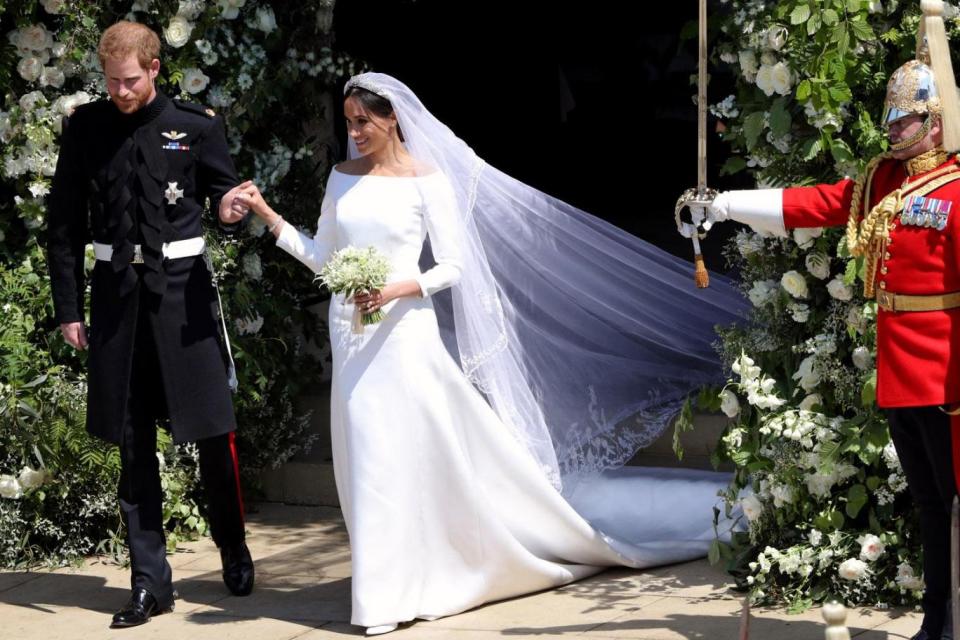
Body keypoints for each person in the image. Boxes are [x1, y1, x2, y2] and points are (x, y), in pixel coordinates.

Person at [235, 72, 746, 635]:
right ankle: (384, 587)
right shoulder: (341, 177)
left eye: (364, 122)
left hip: (404, 333)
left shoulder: (427, 180)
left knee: (400, 457)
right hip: (351, 335)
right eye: (349, 121)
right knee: (364, 460)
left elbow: (452, 265)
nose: (354, 132)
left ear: (393, 119)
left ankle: (402, 591)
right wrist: (268, 215)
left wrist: (396, 289)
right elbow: (326, 260)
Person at [703, 3, 959, 638]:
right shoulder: (880, 181)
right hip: (903, 368)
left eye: (907, 119)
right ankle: (938, 619)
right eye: (893, 117)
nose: (895, 129)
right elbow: (812, 204)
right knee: (929, 503)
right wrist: (726, 204)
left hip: (949, 370)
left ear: (935, 122)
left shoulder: (955, 189)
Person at [46, 21, 254, 629]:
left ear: (155, 69)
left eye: (131, 81)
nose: (120, 91)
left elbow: (222, 198)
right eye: (111, 81)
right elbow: (64, 223)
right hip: (117, 304)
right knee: (134, 443)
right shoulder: (86, 127)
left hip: (184, 303)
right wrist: (69, 310)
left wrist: (229, 208)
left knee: (215, 434)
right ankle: (148, 582)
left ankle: (233, 550)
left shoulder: (195, 125)